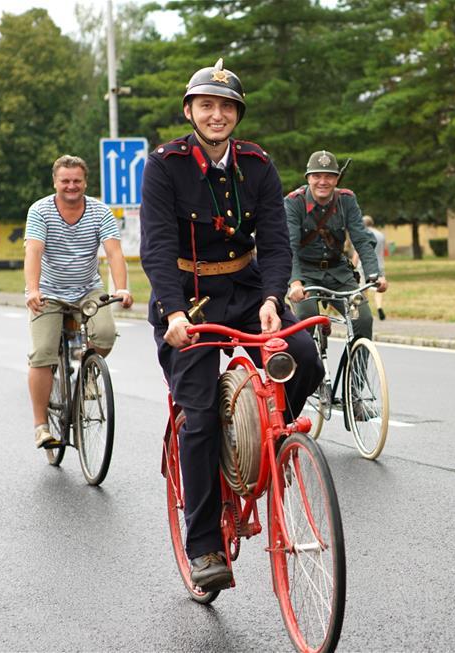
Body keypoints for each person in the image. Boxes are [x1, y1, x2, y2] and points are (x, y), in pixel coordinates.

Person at [140, 58, 323, 592]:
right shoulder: (165, 165)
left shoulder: (258, 164)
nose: (217, 114)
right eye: (207, 105)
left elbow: (275, 236)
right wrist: (172, 311)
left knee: (304, 358)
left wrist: (271, 298)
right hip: (188, 300)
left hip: (246, 292)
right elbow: (156, 244)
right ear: (190, 111)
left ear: (237, 114)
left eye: (226, 107)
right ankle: (204, 547)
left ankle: (261, 444)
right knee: (197, 418)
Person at [24, 155, 134, 449]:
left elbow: (114, 254)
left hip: (87, 288)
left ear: (85, 182)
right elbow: (34, 252)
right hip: (48, 291)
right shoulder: (41, 211)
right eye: (65, 181)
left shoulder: (100, 212)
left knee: (106, 333)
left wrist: (121, 289)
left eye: (77, 181)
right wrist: (32, 289)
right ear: (55, 182)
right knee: (43, 352)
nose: (71, 186)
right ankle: (41, 426)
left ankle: (87, 376)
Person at [285, 150, 388, 340]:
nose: (323, 182)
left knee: (363, 319)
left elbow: (362, 240)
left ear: (337, 179)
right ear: (308, 178)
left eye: (329, 176)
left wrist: (375, 275)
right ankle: (306, 367)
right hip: (305, 274)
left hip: (339, 273)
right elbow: (289, 247)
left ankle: (357, 367)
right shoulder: (294, 203)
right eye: (317, 176)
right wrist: (295, 283)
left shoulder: (346, 200)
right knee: (305, 318)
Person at [352, 215, 388, 320]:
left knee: (363, 289)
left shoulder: (362, 234)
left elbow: (357, 253)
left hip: (364, 266)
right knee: (378, 288)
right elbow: (384, 250)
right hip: (379, 265)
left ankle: (364, 310)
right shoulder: (381, 235)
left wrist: (353, 266)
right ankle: (379, 307)